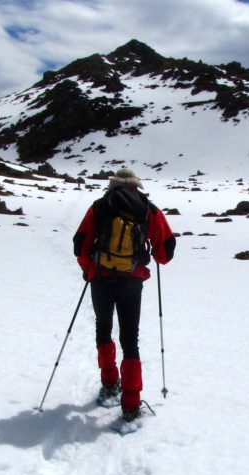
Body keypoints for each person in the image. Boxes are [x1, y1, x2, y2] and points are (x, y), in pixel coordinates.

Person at [72, 168, 175, 422]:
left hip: (101, 279)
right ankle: (130, 404)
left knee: (103, 327)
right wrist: (154, 256)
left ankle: (109, 384)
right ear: (136, 186)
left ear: (114, 185)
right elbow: (166, 250)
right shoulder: (148, 209)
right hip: (132, 281)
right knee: (130, 338)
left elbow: (80, 243)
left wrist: (89, 269)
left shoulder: (100, 206)